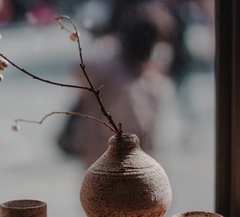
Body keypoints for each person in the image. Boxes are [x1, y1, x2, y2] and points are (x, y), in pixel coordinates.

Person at [58, 0, 182, 167]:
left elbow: (150, 126)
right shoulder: (105, 58)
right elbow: (80, 79)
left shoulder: (153, 71)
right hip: (101, 151)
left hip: (132, 155)